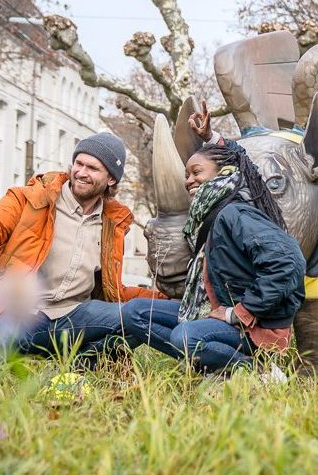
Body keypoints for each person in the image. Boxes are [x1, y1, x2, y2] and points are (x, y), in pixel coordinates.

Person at [0, 132, 162, 362]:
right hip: (17, 315)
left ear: (111, 179)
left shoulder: (112, 226)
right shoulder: (31, 199)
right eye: (79, 163)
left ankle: (81, 366)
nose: (81, 173)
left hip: (73, 316)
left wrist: (168, 300)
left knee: (140, 317)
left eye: (92, 168)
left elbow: (114, 290)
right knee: (12, 335)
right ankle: (17, 353)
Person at [122, 102, 306, 374]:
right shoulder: (206, 218)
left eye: (197, 173)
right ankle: (214, 363)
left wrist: (240, 312)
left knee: (185, 337)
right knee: (135, 312)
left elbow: (289, 262)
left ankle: (259, 371)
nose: (188, 181)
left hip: (251, 326)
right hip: (211, 312)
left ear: (225, 175)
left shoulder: (236, 213)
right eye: (187, 175)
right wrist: (210, 139)